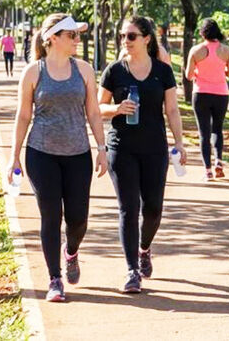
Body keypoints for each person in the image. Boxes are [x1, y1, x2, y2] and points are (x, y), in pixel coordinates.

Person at [7, 13, 108, 303]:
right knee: (51, 215)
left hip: (78, 154)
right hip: (41, 154)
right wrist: (14, 155)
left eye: (78, 35)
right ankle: (54, 279)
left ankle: (71, 251)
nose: (77, 40)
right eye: (72, 35)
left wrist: (102, 148)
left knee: (78, 220)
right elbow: (24, 115)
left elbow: (92, 112)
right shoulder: (33, 72)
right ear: (53, 38)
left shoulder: (84, 70)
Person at [99, 16, 187, 294]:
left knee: (153, 209)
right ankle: (131, 270)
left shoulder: (163, 71)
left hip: (154, 149)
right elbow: (97, 108)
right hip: (121, 147)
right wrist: (115, 109)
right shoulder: (114, 71)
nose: (125, 40)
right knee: (128, 208)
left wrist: (180, 143)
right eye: (123, 36)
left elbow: (172, 109)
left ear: (147, 38)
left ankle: (144, 248)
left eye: (132, 36)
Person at [185, 19, 229, 181]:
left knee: (203, 133)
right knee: (217, 129)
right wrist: (222, 71)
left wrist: (199, 74)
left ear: (202, 33)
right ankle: (219, 162)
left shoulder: (196, 50)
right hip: (221, 94)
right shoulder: (226, 51)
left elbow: (188, 75)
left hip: (201, 94)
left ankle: (207, 170)